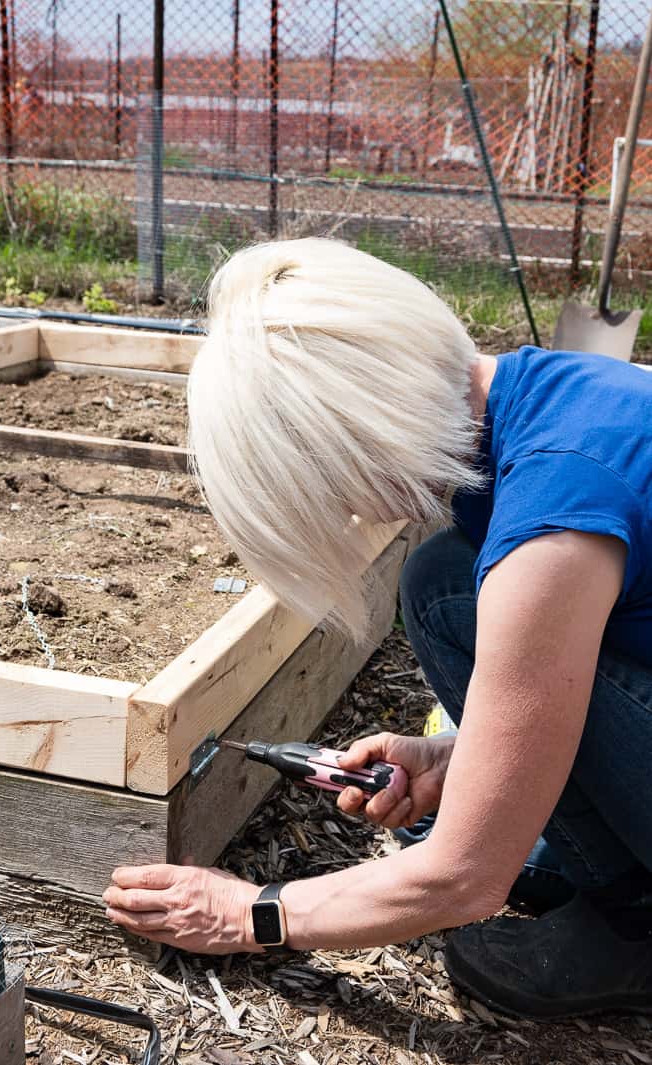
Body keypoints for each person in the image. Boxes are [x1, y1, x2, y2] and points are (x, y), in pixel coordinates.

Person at [102, 238, 652, 1019]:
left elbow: (463, 877)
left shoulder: (550, 536)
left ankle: (635, 926)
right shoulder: (547, 394)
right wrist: (461, 757)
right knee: (441, 579)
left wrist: (248, 912)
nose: (349, 510)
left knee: (451, 593)